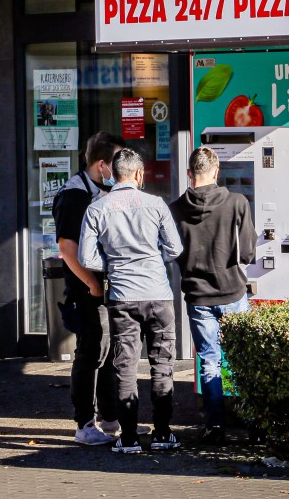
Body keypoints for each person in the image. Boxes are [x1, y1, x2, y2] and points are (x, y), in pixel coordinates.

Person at [79, 148, 183, 454]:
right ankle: (163, 435)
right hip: (158, 294)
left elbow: (87, 256)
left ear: (112, 173)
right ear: (139, 174)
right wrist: (154, 260)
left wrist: (113, 264)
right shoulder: (156, 204)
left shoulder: (97, 207)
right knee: (162, 365)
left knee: (125, 366)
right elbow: (175, 249)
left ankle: (128, 439)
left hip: (122, 297)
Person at [170, 146, 256, 444]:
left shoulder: (176, 208)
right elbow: (247, 252)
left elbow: (171, 251)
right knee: (244, 359)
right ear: (216, 171)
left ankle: (215, 426)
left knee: (209, 360)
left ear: (190, 173)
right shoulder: (237, 202)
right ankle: (254, 422)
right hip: (233, 291)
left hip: (198, 296)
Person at [54, 131, 125, 445]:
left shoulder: (104, 191)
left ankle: (110, 419)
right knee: (91, 353)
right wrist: (92, 284)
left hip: (106, 286)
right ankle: (85, 423)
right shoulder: (75, 195)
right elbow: (67, 249)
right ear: (101, 165)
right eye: (117, 162)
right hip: (88, 289)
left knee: (109, 352)